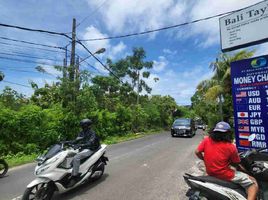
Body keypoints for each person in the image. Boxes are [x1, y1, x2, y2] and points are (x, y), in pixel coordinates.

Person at [195, 121, 258, 200]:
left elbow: (197, 152)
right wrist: (247, 173)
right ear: (228, 134)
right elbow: (236, 164)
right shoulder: (230, 147)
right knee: (253, 184)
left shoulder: (207, 140)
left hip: (210, 172)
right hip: (224, 174)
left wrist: (205, 159)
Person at [68, 118, 100, 187]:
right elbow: (77, 140)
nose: (82, 127)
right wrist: (67, 142)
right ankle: (70, 170)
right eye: (81, 126)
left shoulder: (92, 133)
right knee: (67, 155)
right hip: (83, 148)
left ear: (87, 125)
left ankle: (74, 177)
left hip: (90, 149)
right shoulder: (82, 132)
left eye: (83, 126)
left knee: (77, 157)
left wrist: (81, 145)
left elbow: (91, 142)